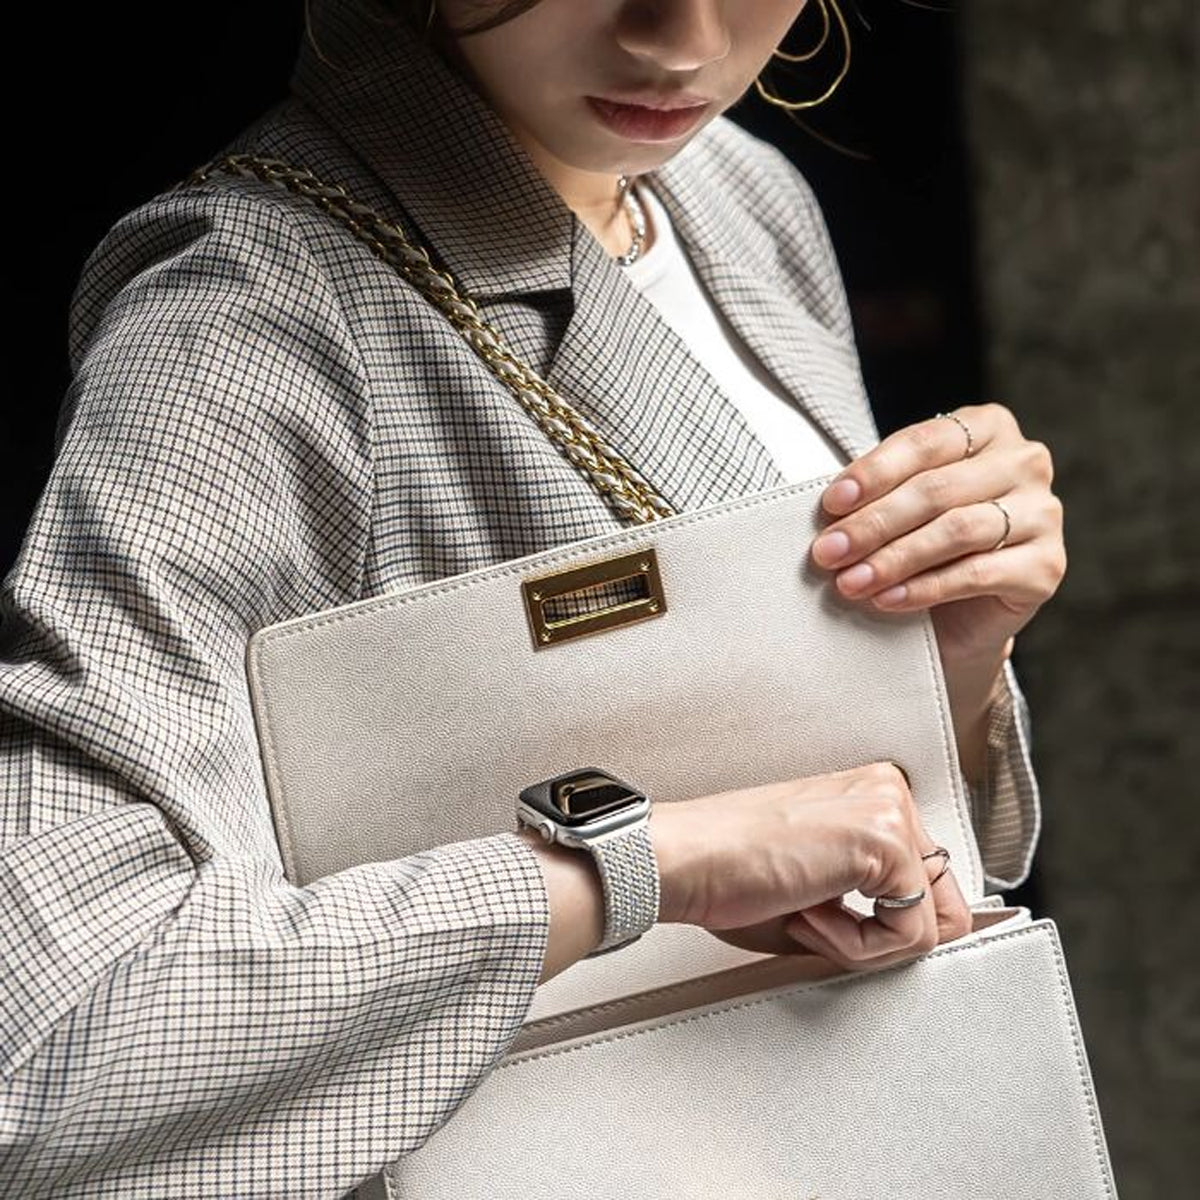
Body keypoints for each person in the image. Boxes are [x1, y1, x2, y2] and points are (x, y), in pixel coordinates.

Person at [0, 0, 1065, 1194]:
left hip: (865, 1133)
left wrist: (944, 659)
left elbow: (845, 828)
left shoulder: (736, 195)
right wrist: (629, 869)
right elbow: (47, 1040)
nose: (679, 39)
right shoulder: (240, 315)